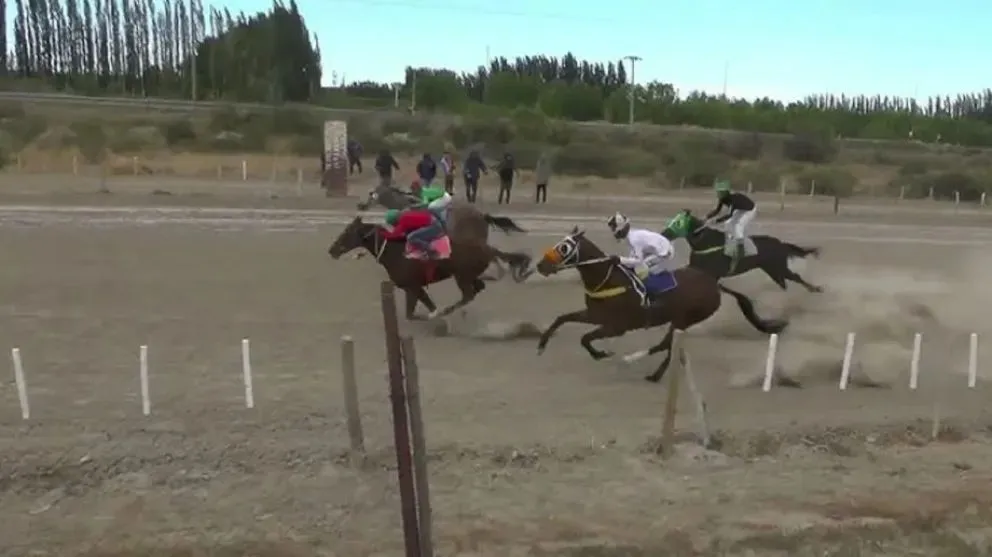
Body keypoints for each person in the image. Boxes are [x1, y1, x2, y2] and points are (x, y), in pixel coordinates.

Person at [606, 212, 677, 304]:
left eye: (613, 228)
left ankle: (655, 297)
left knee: (641, 271)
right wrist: (623, 261)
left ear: (621, 229)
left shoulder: (634, 239)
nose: (613, 232)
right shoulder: (631, 236)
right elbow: (634, 256)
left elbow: (638, 260)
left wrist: (620, 259)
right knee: (634, 267)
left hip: (665, 253)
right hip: (658, 249)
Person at [705, 179, 757, 272]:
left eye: (720, 192)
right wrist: (706, 217)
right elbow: (717, 210)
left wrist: (716, 221)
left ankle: (740, 250)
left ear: (725, 192)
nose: (718, 193)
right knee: (728, 223)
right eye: (718, 191)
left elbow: (729, 215)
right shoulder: (722, 198)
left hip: (749, 210)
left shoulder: (733, 199)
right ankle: (730, 241)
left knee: (738, 226)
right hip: (740, 209)